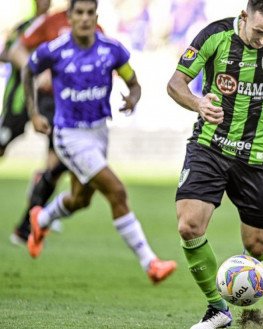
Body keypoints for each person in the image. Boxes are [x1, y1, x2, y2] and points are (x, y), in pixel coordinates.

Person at [166, 0, 263, 327]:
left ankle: (257, 254)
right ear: (244, 16)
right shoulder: (215, 36)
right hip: (210, 145)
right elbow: (175, 84)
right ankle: (217, 308)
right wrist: (198, 103)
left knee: (257, 245)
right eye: (260, 32)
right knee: (189, 225)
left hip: (259, 157)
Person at [22, 0, 177, 284]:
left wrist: (133, 98)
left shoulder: (111, 50)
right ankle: (150, 262)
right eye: (78, 13)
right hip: (69, 134)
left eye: (89, 13)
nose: (84, 18)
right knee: (116, 192)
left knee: (81, 200)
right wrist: (33, 113)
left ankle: (40, 219)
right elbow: (28, 70)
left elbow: (133, 82)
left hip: (98, 133)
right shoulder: (55, 50)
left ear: (96, 16)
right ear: (69, 17)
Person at [7, 2, 105, 245]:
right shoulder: (50, 22)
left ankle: (28, 225)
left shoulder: (99, 30)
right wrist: (40, 71)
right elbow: (17, 50)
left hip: (78, 107)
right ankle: (31, 224)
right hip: (52, 101)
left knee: (56, 164)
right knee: (58, 160)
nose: (84, 17)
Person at [0, 0, 51, 158]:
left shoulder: (55, 26)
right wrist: (28, 62)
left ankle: (46, 179)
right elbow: (5, 54)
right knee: (3, 138)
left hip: (48, 94)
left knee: (57, 137)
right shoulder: (24, 27)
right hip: (19, 93)